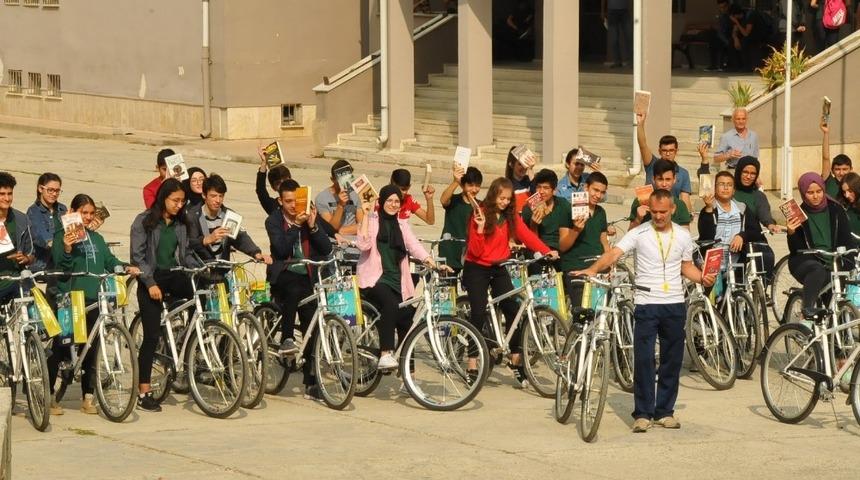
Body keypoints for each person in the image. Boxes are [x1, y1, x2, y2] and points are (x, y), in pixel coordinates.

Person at [574, 189, 715, 433]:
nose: (658, 216)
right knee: (644, 358)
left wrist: (703, 279)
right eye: (654, 211)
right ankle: (642, 413)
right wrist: (593, 270)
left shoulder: (682, 236)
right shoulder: (638, 233)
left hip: (673, 303)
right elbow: (614, 254)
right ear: (649, 209)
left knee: (672, 359)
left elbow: (686, 267)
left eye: (663, 212)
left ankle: (665, 411)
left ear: (672, 210)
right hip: (646, 302)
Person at [461, 177, 557, 387]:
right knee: (477, 312)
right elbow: (475, 251)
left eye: (508, 199)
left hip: (498, 267)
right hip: (476, 266)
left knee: (512, 309)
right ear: (493, 195)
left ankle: (515, 359)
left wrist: (546, 250)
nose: (505, 202)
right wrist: (479, 230)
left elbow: (525, 235)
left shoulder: (510, 215)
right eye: (501, 198)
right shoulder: (480, 212)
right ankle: (472, 362)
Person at [49, 193, 140, 415]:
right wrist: (68, 248)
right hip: (72, 298)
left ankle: (88, 397)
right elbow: (61, 266)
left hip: (95, 299)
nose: (88, 217)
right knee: (61, 347)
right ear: (73, 212)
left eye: (91, 213)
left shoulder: (96, 238)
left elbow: (108, 261)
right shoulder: (63, 235)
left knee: (92, 348)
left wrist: (125, 266)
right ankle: (50, 394)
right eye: (84, 213)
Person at [130, 178, 200, 412]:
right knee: (150, 335)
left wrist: (200, 268)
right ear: (163, 198)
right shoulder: (144, 221)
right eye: (175, 201)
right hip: (150, 277)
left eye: (182, 201)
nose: (179, 205)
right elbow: (138, 258)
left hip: (173, 275)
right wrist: (149, 283)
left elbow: (187, 253)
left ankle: (189, 341)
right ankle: (143, 391)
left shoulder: (182, 223)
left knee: (201, 295)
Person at [356, 185, 444, 371]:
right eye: (389, 200)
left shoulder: (402, 224)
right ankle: (386, 353)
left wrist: (431, 262)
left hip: (397, 281)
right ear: (381, 201)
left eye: (397, 201)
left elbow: (414, 245)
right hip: (374, 280)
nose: (393, 204)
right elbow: (362, 245)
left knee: (407, 319)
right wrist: (365, 215)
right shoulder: (372, 220)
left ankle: (407, 371)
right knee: (389, 305)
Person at [265, 179, 331, 401]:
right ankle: (286, 338)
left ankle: (311, 382)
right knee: (293, 289)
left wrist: (312, 226)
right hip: (283, 273)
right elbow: (281, 249)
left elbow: (326, 248)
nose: (294, 206)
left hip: (308, 275)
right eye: (289, 201)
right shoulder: (273, 221)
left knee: (313, 324)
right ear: (280, 201)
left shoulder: (308, 215)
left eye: (297, 200)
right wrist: (294, 226)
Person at [787, 172, 857, 319]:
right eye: (810, 192)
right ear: (802, 192)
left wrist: (848, 264)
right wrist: (792, 232)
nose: (815, 196)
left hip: (833, 262)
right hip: (806, 261)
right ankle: (807, 311)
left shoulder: (836, 210)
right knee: (818, 271)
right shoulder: (797, 212)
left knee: (837, 313)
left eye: (819, 191)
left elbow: (846, 240)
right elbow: (796, 249)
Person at [186, 174, 270, 265]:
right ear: (204, 195)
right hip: (199, 272)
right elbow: (187, 244)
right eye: (213, 196)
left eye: (221, 196)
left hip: (222, 270)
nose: (218, 200)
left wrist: (256, 253)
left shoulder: (229, 216)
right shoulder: (192, 216)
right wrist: (205, 240)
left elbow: (241, 237)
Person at [558, 172, 611, 307]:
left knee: (605, 308)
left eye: (602, 192)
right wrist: (576, 230)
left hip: (598, 265)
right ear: (586, 188)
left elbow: (604, 242)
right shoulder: (568, 209)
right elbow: (562, 246)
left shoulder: (601, 212)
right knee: (582, 311)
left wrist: (609, 265)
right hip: (576, 265)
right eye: (595, 190)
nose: (598, 195)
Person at [697, 171, 760, 279]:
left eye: (729, 185)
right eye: (721, 184)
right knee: (714, 295)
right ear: (714, 188)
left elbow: (755, 231)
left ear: (734, 190)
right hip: (712, 260)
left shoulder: (742, 209)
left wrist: (742, 236)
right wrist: (708, 208)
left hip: (735, 260)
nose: (726, 188)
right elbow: (705, 236)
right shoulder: (708, 210)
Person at [728, 155, 782, 281]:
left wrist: (770, 225)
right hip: (732, 236)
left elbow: (764, 215)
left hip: (752, 235)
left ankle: (761, 292)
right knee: (737, 264)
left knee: (767, 256)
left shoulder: (758, 195)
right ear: (739, 171)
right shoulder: (730, 191)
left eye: (753, 173)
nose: (748, 176)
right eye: (745, 172)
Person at [636, 111, 692, 211]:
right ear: (659, 151)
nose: (667, 153)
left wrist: (687, 216)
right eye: (664, 150)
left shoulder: (683, 173)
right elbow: (642, 144)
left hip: (670, 214)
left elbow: (685, 199)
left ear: (676, 151)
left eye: (671, 150)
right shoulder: (651, 164)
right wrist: (640, 124)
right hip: (649, 212)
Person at [522, 169, 572, 274]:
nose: (541, 192)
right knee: (534, 258)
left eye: (546, 188)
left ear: (554, 190)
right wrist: (534, 225)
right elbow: (529, 240)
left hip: (559, 249)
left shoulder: (563, 205)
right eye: (538, 187)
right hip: (537, 249)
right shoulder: (528, 208)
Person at [439, 165, 483, 273]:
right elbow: (443, 200)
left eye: (477, 185)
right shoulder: (454, 200)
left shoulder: (481, 206)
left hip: (471, 254)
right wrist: (456, 181)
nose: (474, 189)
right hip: (450, 251)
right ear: (463, 185)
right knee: (449, 286)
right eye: (470, 185)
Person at [0, 172, 35, 306]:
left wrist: (25, 258)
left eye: (10, 194)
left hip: (16, 279)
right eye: (2, 194)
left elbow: (31, 253)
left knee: (38, 312)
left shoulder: (21, 219)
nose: (7, 198)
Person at [629, 160, 692, 230]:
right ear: (653, 179)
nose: (664, 184)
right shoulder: (639, 202)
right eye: (660, 179)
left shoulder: (680, 205)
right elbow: (629, 235)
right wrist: (638, 219)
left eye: (668, 179)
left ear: (674, 180)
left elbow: (686, 235)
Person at [26, 172, 67, 273]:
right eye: (50, 190)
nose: (54, 194)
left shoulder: (63, 209)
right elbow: (46, 240)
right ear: (40, 189)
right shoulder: (33, 212)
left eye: (57, 191)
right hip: (43, 264)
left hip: (62, 259)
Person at [315, 160, 364, 235]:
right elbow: (331, 228)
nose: (346, 183)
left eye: (348, 178)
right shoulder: (321, 198)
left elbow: (362, 225)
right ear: (332, 179)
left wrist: (341, 231)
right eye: (341, 180)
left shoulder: (355, 193)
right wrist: (340, 205)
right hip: (334, 240)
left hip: (356, 239)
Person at [820, 117, 853, 198]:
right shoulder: (829, 182)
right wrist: (826, 133)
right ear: (832, 171)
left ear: (851, 169)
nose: (841, 173)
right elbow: (825, 158)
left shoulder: (856, 185)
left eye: (845, 169)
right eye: (837, 169)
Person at [255, 148, 293, 215]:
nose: (283, 184)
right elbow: (260, 190)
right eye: (278, 183)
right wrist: (264, 162)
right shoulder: (273, 206)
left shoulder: (303, 199)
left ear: (291, 179)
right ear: (273, 187)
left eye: (285, 180)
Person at [602, 0, 632, 67]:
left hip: (624, 10)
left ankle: (631, 61)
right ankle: (617, 61)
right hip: (612, 11)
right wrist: (603, 11)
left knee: (629, 36)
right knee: (614, 38)